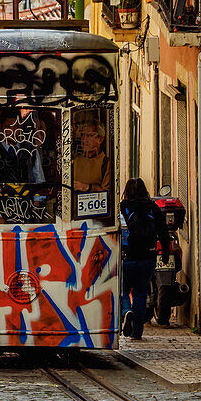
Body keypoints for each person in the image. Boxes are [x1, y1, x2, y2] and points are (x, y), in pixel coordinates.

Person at [119, 177, 171, 340]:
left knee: (123, 290)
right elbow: (163, 232)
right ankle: (137, 333)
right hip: (148, 257)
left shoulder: (122, 207)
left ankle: (127, 310)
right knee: (141, 294)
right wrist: (165, 255)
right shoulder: (152, 207)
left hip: (126, 257)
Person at [73, 117, 110, 193]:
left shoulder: (106, 163)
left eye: (89, 136)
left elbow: (108, 194)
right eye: (83, 135)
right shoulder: (75, 160)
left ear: (100, 139)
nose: (84, 140)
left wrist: (87, 187)